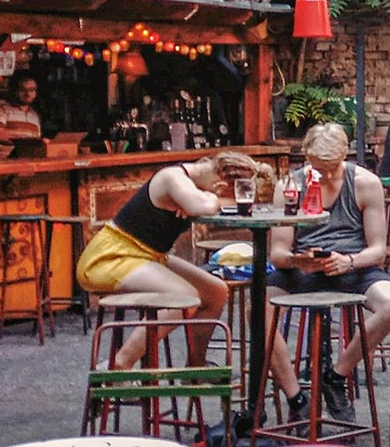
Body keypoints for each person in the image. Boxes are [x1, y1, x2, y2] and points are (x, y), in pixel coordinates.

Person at [265, 123, 390, 423]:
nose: (326, 176)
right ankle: (296, 397)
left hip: (353, 265)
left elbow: (378, 250)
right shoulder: (289, 186)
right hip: (305, 266)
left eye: (332, 168)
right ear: (305, 157)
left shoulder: (365, 183)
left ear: (345, 155)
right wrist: (296, 261)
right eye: (319, 169)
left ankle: (337, 374)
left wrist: (351, 261)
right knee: (258, 310)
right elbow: (277, 253)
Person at [75, 150, 257, 369]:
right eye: (227, 191)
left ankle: (196, 367)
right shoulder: (173, 177)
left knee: (215, 291)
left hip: (149, 255)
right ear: (219, 182)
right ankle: (120, 364)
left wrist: (204, 198)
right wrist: (211, 199)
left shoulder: (192, 184)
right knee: (184, 297)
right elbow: (203, 207)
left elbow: (202, 204)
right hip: (111, 257)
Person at [0, 71, 44, 159]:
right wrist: (25, 141)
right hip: (2, 161)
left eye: (32, 90)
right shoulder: (0, 108)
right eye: (23, 90)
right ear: (14, 90)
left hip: (27, 162)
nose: (27, 94)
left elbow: (36, 142)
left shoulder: (34, 115)